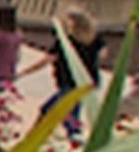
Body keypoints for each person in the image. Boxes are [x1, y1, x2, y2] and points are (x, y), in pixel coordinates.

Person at [24, 8, 105, 141]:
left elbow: (48, 59)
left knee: (53, 111)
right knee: (69, 110)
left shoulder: (66, 42)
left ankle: (35, 138)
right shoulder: (95, 38)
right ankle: (36, 136)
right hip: (87, 81)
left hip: (69, 82)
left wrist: (25, 72)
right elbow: (103, 54)